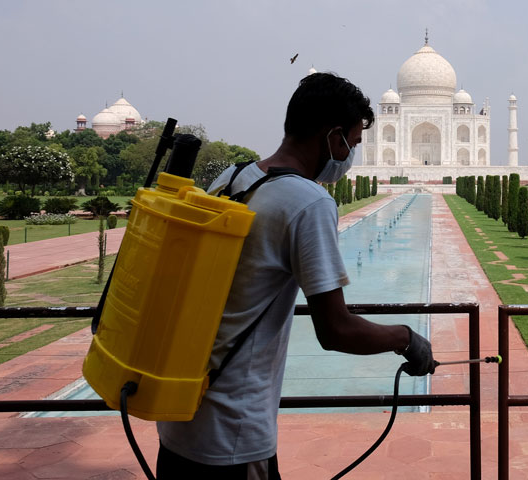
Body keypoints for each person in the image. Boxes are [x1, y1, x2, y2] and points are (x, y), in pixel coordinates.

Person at [156, 73, 436, 479]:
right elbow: (335, 330)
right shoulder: (307, 201)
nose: (350, 156)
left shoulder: (233, 179)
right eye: (352, 144)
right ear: (333, 137)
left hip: (180, 416)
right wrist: (405, 338)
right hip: (232, 434)